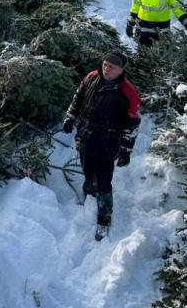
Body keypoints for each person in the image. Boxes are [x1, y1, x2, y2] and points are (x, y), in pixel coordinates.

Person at [62, 50, 140, 241]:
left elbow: (133, 123)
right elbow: (78, 97)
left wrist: (125, 151)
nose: (106, 68)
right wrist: (70, 117)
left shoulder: (128, 92)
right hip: (86, 137)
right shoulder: (91, 77)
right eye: (105, 64)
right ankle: (90, 194)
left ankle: (104, 218)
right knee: (87, 171)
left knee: (104, 182)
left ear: (121, 70)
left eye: (111, 67)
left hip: (107, 144)